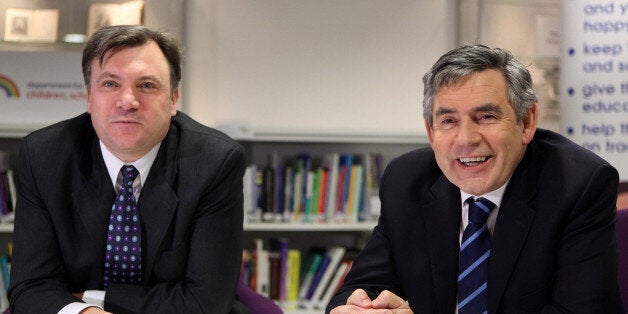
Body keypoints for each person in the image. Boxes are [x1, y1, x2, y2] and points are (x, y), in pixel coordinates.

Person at [326, 44, 623, 313]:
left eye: (486, 117)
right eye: (448, 121)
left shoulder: (579, 184)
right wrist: (358, 308)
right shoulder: (407, 180)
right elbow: (361, 287)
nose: (466, 139)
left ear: (527, 122)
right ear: (431, 132)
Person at [8, 25, 247, 313]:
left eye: (146, 85)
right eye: (110, 84)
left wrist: (95, 299)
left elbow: (204, 302)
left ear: (173, 100)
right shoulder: (44, 156)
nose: (127, 102)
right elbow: (30, 286)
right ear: (88, 97)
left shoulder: (215, 162)